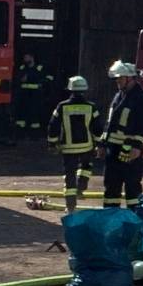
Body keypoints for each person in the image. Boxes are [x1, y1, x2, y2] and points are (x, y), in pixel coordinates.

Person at [97, 60, 143, 208]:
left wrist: (136, 146)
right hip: (113, 150)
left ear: (130, 78)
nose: (117, 81)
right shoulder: (118, 96)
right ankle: (111, 218)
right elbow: (110, 123)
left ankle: (135, 220)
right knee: (111, 187)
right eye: (117, 78)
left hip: (129, 152)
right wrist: (102, 143)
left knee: (132, 187)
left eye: (120, 78)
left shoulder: (142, 97)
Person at [46, 75, 97, 213]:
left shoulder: (62, 106)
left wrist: (52, 143)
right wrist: (99, 143)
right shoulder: (91, 107)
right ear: (84, 90)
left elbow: (53, 125)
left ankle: (70, 206)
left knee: (69, 176)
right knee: (86, 167)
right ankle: (81, 186)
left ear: (70, 90)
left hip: (68, 148)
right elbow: (97, 127)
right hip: (87, 147)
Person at [11, 53, 51, 139]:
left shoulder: (39, 68)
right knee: (21, 116)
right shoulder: (22, 68)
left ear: (32, 57)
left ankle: (34, 135)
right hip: (23, 96)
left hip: (35, 96)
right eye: (24, 57)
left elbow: (49, 78)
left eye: (26, 57)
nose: (25, 59)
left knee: (34, 116)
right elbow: (16, 79)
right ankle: (20, 135)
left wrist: (41, 84)